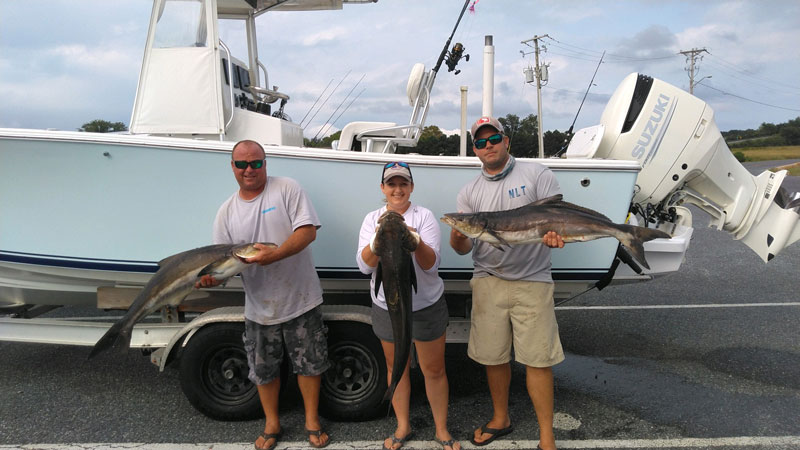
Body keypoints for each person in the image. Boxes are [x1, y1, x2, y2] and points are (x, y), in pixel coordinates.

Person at [197, 140, 331, 450]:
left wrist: (273, 255)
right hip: (259, 307)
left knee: (310, 363)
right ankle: (272, 423)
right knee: (263, 369)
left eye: (255, 163)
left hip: (301, 298)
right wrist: (210, 280)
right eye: (241, 164)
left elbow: (307, 231)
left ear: (265, 164)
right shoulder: (226, 212)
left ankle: (312, 420)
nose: (248, 169)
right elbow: (224, 266)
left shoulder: (287, 189)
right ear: (232, 167)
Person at [449, 117, 565, 450]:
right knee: (494, 356)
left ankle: (547, 437)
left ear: (506, 141)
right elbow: (462, 249)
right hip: (489, 280)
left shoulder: (536, 174)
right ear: (474, 149)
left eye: (494, 138)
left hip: (534, 281)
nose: (488, 146)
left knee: (538, 359)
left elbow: (557, 218)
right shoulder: (468, 192)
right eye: (481, 142)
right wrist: (458, 234)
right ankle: (501, 418)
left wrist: (559, 236)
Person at [356, 162, 461, 450]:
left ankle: (441, 428)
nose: (397, 189)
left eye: (403, 184)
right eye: (391, 184)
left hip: (425, 304)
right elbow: (365, 268)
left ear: (411, 187)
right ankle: (402, 424)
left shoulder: (424, 216)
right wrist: (378, 242)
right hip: (386, 303)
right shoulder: (372, 219)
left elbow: (430, 264)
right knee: (396, 367)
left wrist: (414, 241)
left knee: (434, 369)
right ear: (383, 189)